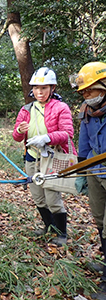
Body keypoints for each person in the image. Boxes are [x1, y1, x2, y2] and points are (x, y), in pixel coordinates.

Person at [12, 67, 77, 246]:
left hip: (52, 156)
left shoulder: (60, 107)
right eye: (36, 88)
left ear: (52, 88)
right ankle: (49, 227)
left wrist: (47, 138)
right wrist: (19, 130)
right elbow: (16, 137)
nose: (39, 92)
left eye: (44, 88)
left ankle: (62, 234)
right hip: (32, 157)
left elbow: (67, 133)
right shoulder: (26, 109)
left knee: (52, 197)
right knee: (38, 196)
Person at [72, 61, 106, 299]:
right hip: (95, 170)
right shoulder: (86, 112)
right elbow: (83, 143)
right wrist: (82, 171)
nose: (86, 95)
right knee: (100, 221)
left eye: (89, 90)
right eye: (83, 92)